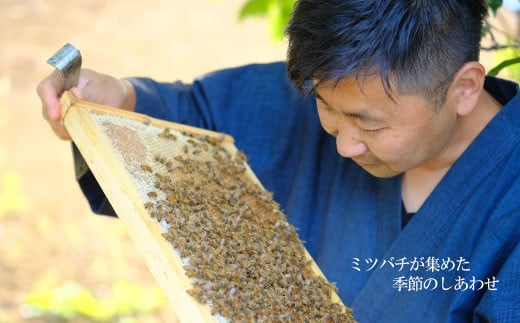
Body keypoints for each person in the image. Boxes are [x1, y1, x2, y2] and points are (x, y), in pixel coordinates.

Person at [37, 0, 519, 321]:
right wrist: (117, 101)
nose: (343, 144)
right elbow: (193, 125)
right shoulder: (335, 84)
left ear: (464, 88)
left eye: (369, 124)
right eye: (326, 108)